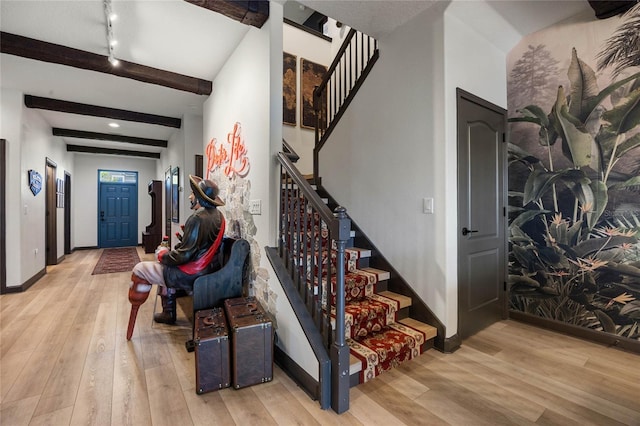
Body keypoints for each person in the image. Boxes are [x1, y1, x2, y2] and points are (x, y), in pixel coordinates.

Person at [126, 175, 225, 340]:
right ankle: (168, 312)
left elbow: (184, 255)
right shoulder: (219, 217)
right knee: (164, 265)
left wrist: (162, 255)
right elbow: (200, 247)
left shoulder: (197, 218)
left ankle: (136, 310)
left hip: (189, 273)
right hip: (205, 268)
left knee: (140, 268)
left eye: (193, 193)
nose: (190, 196)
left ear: (200, 198)